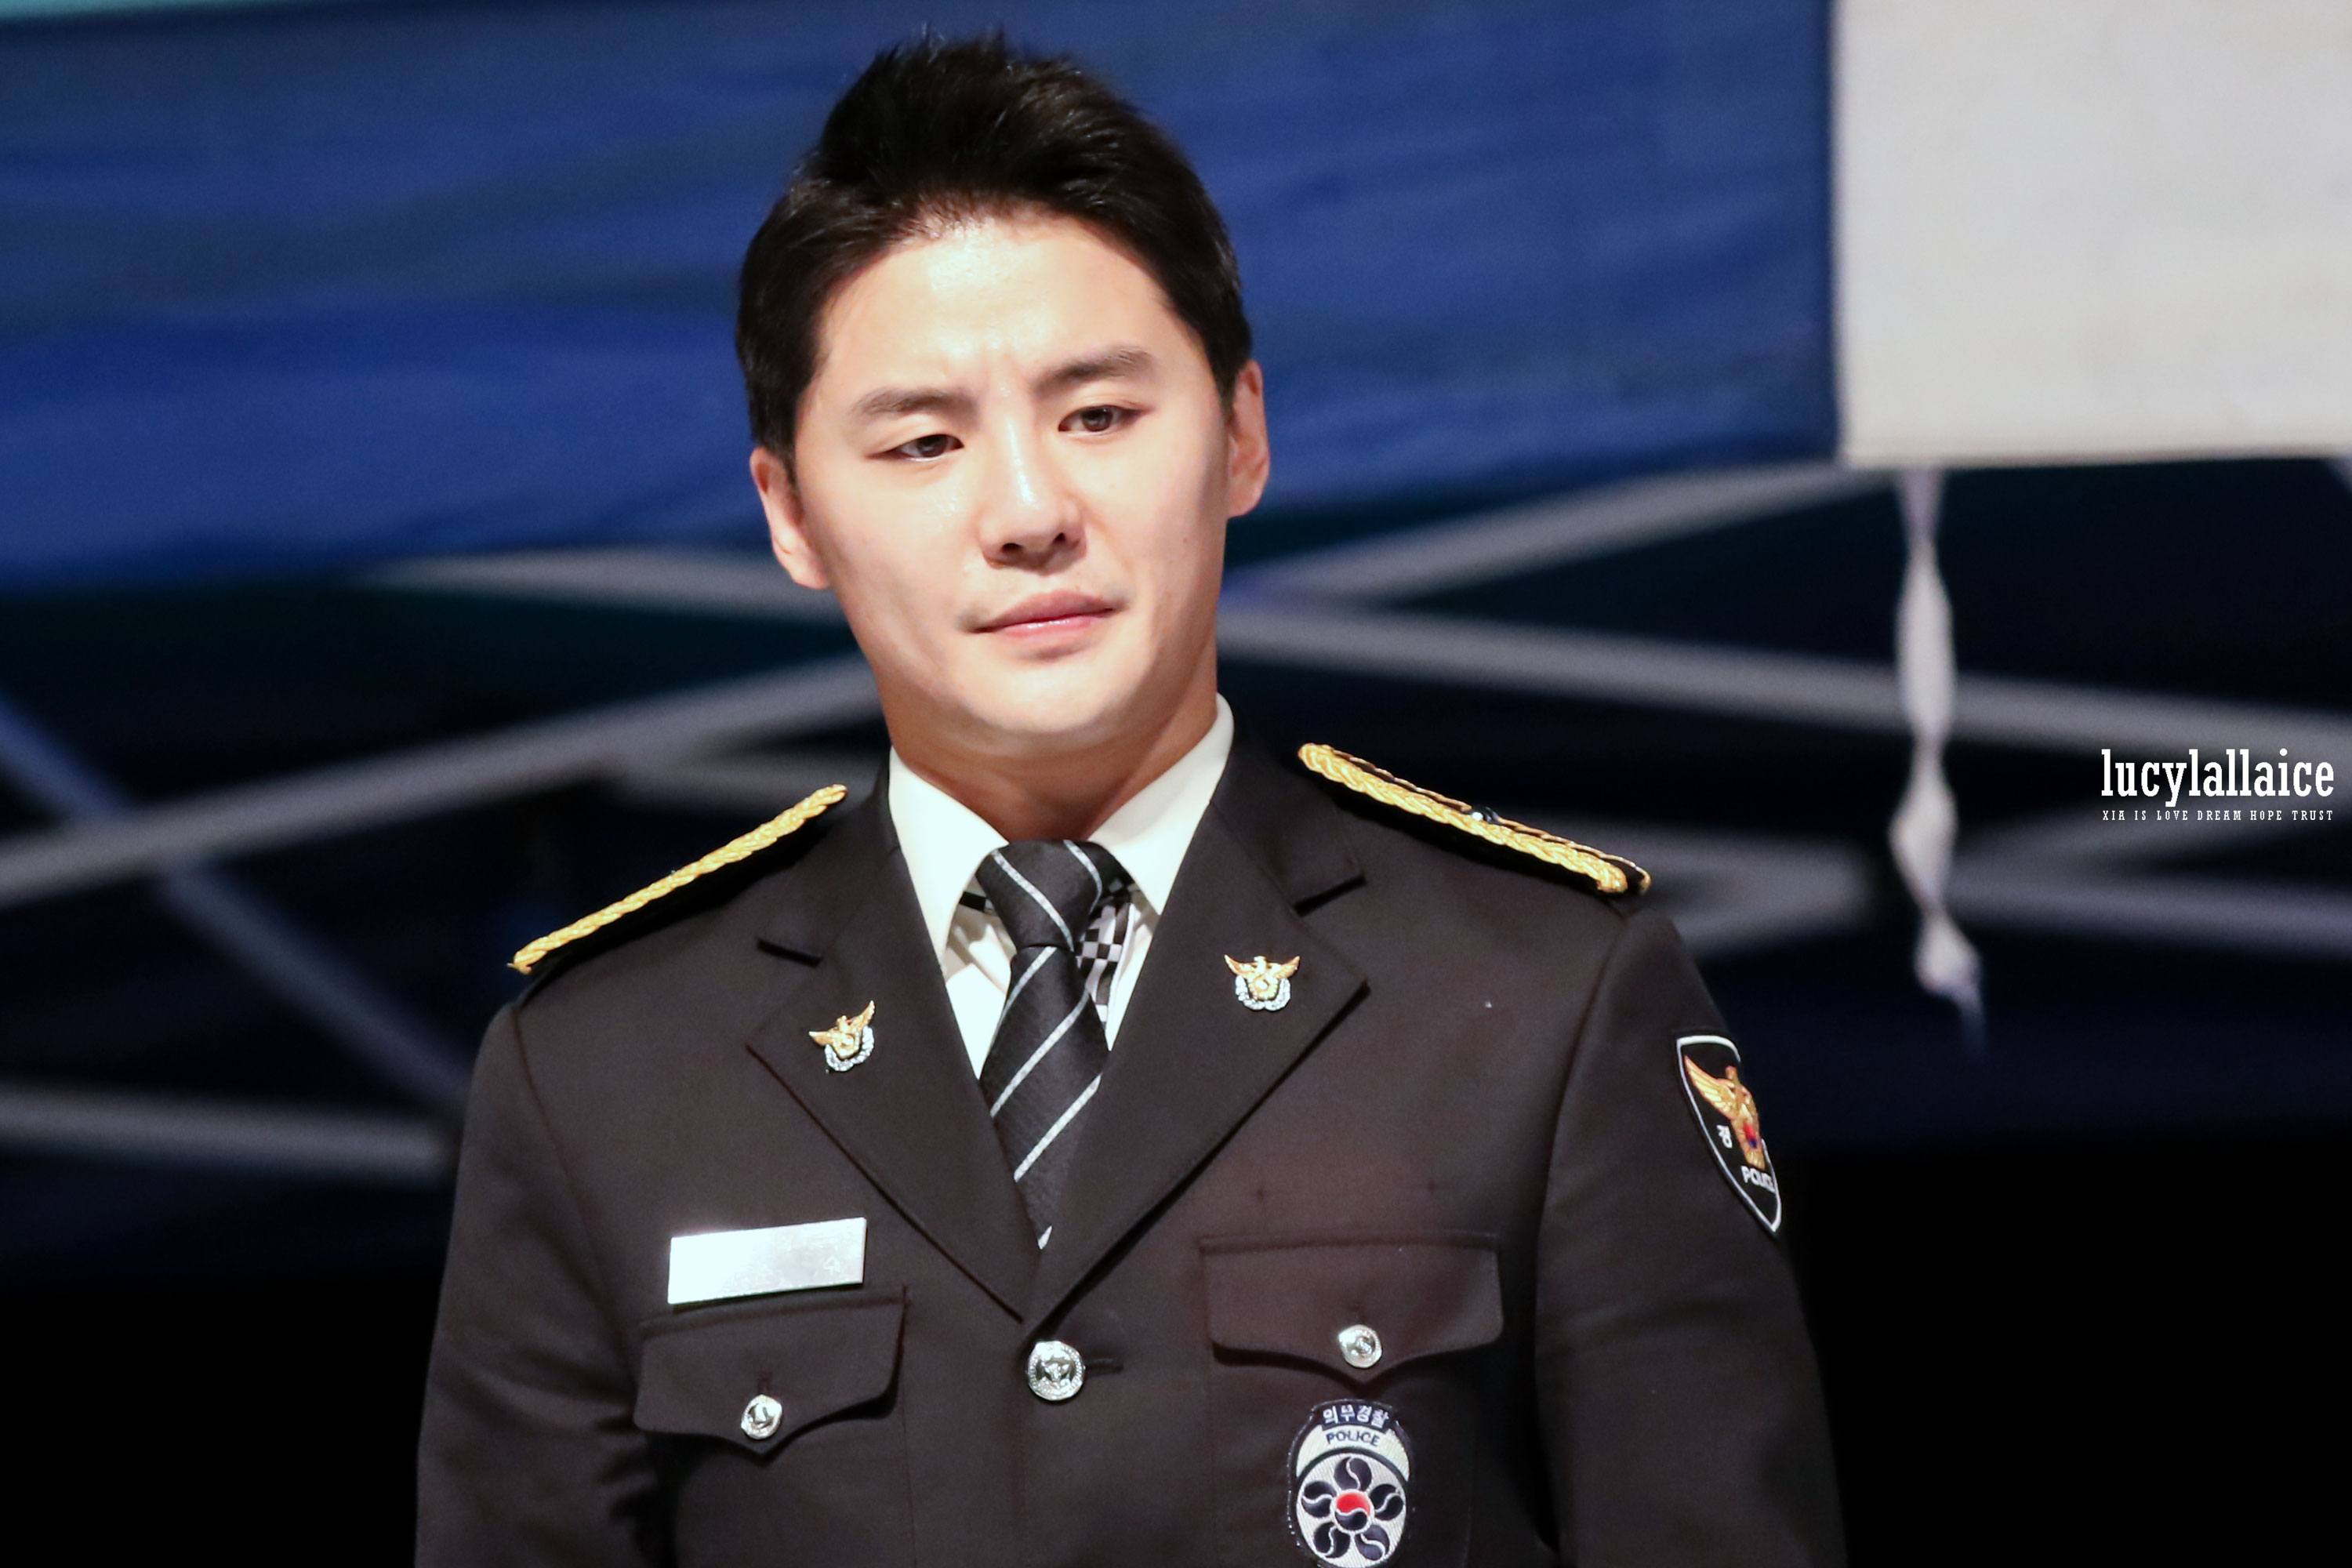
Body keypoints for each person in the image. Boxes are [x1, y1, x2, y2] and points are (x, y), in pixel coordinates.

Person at [419, 33, 1842, 1566]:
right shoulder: (602, 1071)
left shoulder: (1547, 997)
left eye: (1098, 415)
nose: (1030, 511)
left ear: (1242, 434)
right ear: (791, 514)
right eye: (924, 442)